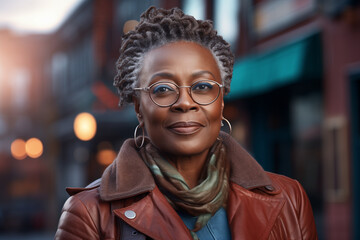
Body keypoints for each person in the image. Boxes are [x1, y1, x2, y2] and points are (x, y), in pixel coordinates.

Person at [55, 6, 318, 240]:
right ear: (138, 107)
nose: (184, 102)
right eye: (162, 89)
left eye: (202, 86)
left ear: (221, 102)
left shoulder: (289, 199)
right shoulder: (89, 213)